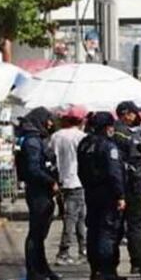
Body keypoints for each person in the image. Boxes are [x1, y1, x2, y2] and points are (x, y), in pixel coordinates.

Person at [77, 112, 127, 280]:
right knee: (108, 232)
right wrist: (120, 195)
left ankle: (95, 271)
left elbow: (80, 171)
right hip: (108, 195)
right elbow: (114, 173)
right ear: (107, 127)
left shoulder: (84, 144)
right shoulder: (108, 146)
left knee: (93, 231)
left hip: (91, 193)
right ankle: (107, 271)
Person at [15, 107, 60, 280]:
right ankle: (34, 273)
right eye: (48, 120)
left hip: (41, 191)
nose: (50, 124)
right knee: (36, 233)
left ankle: (42, 269)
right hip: (38, 191)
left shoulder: (34, 138)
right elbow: (34, 169)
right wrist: (50, 181)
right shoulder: (32, 142)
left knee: (40, 233)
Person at [49, 105, 88, 265]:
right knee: (72, 218)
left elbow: (51, 157)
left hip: (63, 180)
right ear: (81, 120)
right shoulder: (82, 137)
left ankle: (83, 250)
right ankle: (63, 252)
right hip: (77, 180)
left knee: (79, 217)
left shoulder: (56, 136)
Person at [113, 101, 141, 274]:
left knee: (115, 227)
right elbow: (135, 160)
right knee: (135, 225)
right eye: (133, 113)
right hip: (131, 184)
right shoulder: (126, 135)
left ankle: (109, 267)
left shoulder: (111, 132)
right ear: (127, 114)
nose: (135, 117)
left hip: (115, 185)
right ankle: (137, 263)